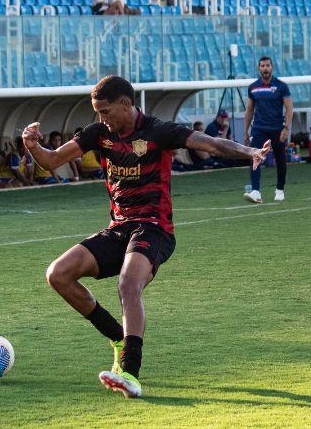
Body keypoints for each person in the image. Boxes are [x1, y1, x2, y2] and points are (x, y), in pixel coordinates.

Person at [21, 75, 270, 399]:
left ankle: (129, 372)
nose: (101, 119)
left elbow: (208, 143)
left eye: (106, 111)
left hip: (154, 228)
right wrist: (31, 145)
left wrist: (248, 150)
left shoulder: (159, 131)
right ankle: (118, 337)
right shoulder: (99, 134)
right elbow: (52, 159)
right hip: (119, 228)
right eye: (98, 112)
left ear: (126, 104)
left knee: (128, 284)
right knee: (58, 274)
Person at [244, 56, 293, 203]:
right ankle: (255, 191)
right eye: (262, 66)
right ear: (259, 68)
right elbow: (249, 110)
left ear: (272, 67)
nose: (265, 68)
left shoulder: (281, 86)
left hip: (277, 129)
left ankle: (279, 189)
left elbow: (289, 108)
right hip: (259, 129)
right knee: (255, 158)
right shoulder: (253, 87)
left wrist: (286, 128)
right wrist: (246, 131)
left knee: (280, 159)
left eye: (267, 65)